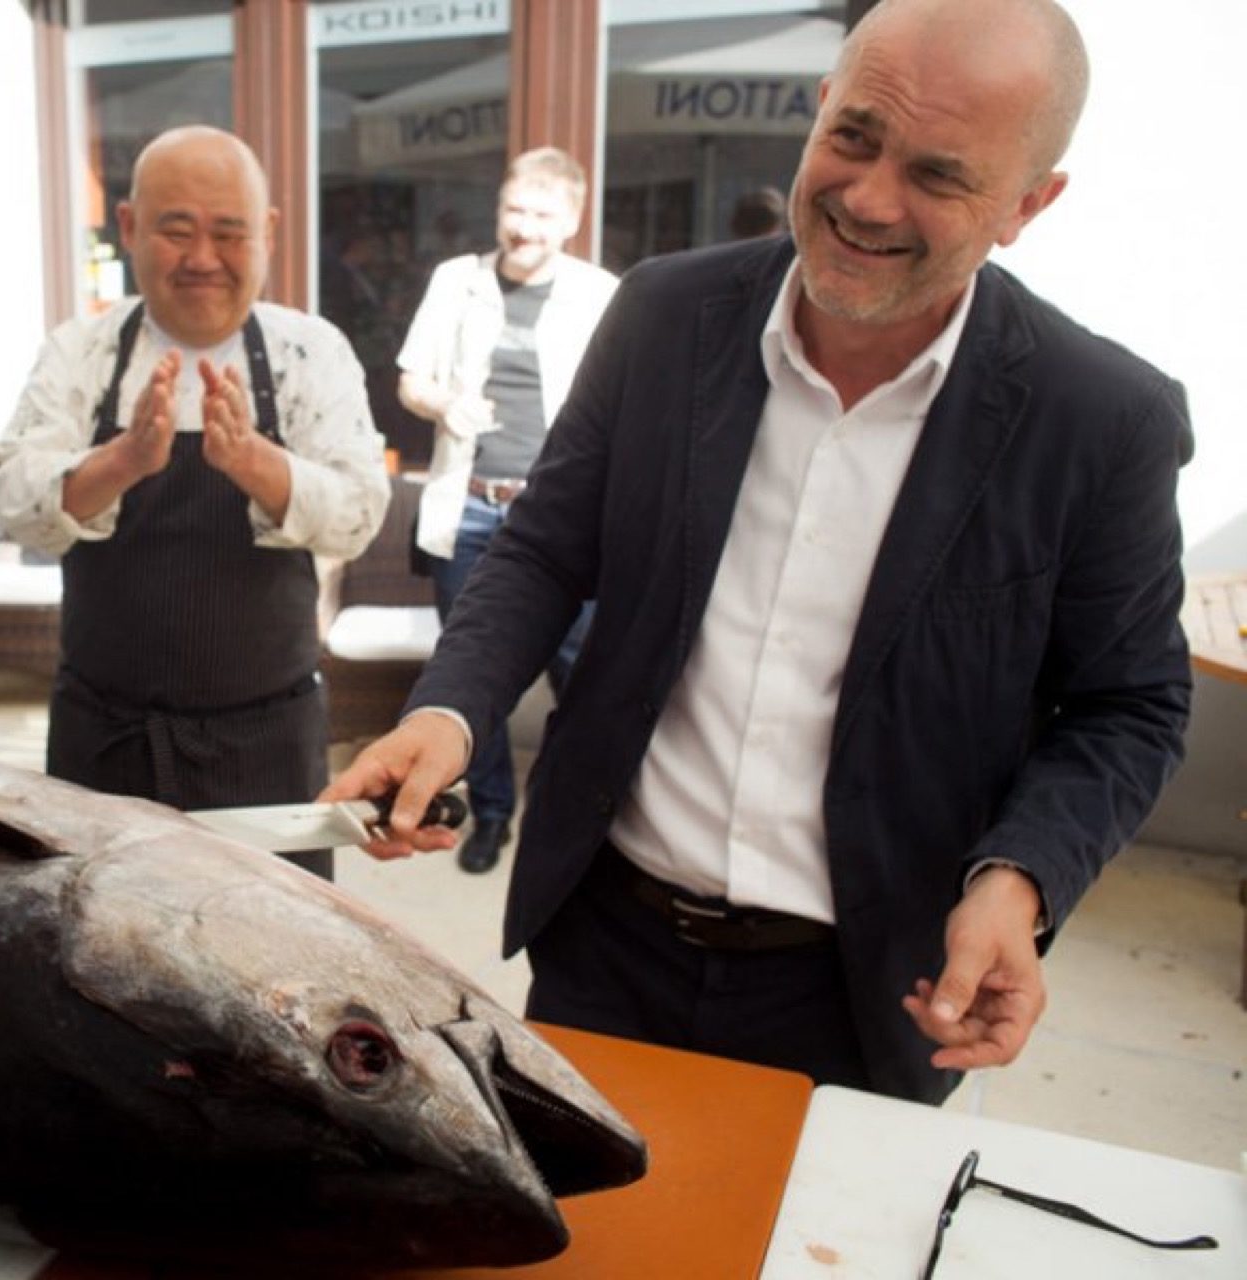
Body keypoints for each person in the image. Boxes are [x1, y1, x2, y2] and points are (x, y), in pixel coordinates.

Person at [326, 0, 1193, 1106]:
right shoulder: (663, 316)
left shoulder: (1100, 418)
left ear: (1029, 203)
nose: (870, 199)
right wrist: (447, 713)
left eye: (938, 175)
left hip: (874, 988)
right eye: (856, 135)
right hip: (605, 944)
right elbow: (546, 547)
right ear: (821, 105)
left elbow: (1131, 702)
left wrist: (1018, 880)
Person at [0, 126, 391, 881]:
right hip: (102, 741)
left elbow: (360, 512)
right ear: (131, 226)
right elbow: (12, 495)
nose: (202, 258)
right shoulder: (82, 352)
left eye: (229, 233)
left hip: (266, 748)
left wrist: (254, 464)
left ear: (268, 235)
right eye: (177, 231)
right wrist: (122, 461)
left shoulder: (313, 353)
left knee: (276, 957)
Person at [395, 147, 618, 875]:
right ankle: (492, 814)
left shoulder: (600, 294)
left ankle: (579, 815)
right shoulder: (456, 281)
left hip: (561, 519)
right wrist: (443, 401)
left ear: (573, 220)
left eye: (542, 215)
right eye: (515, 210)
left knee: (583, 679)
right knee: (472, 677)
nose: (524, 227)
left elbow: (625, 405)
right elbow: (410, 380)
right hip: (470, 509)